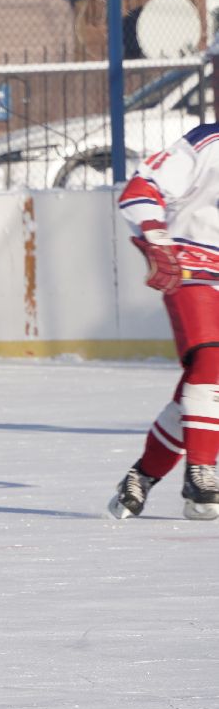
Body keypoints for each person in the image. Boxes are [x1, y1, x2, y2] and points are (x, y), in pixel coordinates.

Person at [111, 123, 219, 522]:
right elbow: (140, 191)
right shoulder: (207, 142)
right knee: (211, 362)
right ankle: (201, 473)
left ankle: (141, 477)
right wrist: (157, 239)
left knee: (195, 394)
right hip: (192, 272)